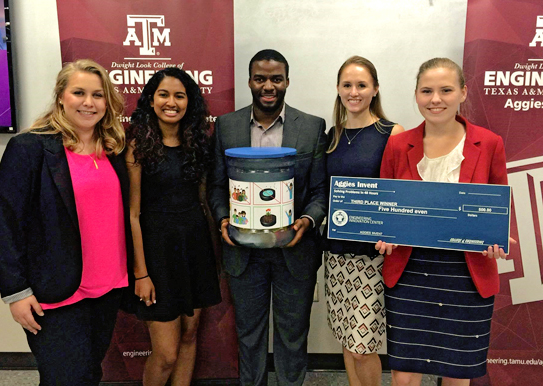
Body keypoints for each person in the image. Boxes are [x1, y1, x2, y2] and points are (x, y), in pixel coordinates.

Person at [0, 59, 132, 386]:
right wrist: (15, 291)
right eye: (79, 92)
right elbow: (6, 221)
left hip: (107, 288)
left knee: (90, 373)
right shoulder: (30, 148)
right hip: (54, 293)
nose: (89, 102)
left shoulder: (114, 148)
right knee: (65, 379)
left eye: (98, 95)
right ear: (60, 97)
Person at [376, 58, 513, 386]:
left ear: (463, 93)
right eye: (427, 91)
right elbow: (386, 205)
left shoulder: (490, 143)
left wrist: (498, 239)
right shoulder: (398, 144)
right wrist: (384, 233)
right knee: (405, 370)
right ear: (416, 95)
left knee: (457, 371)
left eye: (446, 90)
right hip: (410, 269)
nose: (435, 99)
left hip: (467, 273)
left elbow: (499, 205)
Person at [207, 49, 328, 386]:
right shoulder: (227, 126)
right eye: (261, 78)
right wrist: (221, 220)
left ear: (287, 81)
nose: (268, 86)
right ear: (250, 81)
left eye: (276, 78)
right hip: (243, 253)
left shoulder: (312, 126)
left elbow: (320, 191)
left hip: (295, 251)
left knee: (292, 336)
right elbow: (216, 185)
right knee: (249, 335)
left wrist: (307, 221)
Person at [126, 67, 221, 386]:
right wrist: (141, 273)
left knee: (190, 337)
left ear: (188, 102)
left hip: (194, 252)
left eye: (179, 95)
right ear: (151, 100)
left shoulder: (198, 144)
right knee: (165, 353)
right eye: (164, 94)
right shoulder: (138, 147)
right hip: (157, 257)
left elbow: (203, 202)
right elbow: (134, 215)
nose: (172, 102)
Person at [324, 56, 404, 386]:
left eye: (361, 85)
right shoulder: (332, 135)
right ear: (339, 89)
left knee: (362, 346)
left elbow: (402, 194)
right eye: (347, 85)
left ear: (375, 89)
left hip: (373, 258)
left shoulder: (392, 133)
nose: (353, 92)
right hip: (337, 254)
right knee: (347, 335)